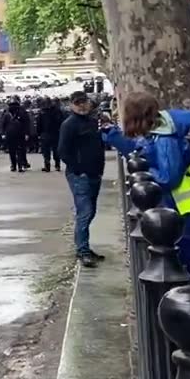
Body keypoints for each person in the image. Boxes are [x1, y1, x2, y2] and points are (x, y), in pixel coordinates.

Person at [103, 92, 190, 281]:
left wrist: (146, 170)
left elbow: (168, 177)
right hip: (179, 205)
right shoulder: (158, 132)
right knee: (189, 259)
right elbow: (141, 151)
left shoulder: (166, 139)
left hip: (184, 206)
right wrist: (116, 139)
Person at [57, 91, 106, 268]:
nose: (82, 106)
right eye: (78, 103)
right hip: (80, 176)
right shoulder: (69, 125)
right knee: (85, 212)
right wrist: (78, 170)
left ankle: (84, 247)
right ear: (72, 105)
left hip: (94, 173)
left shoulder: (93, 122)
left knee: (90, 211)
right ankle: (83, 250)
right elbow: (63, 151)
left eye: (84, 102)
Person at [0, 97, 32, 172]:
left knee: (14, 150)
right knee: (18, 150)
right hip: (17, 134)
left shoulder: (8, 113)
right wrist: (27, 133)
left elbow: (2, 124)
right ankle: (17, 165)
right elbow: (27, 123)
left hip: (14, 134)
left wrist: (3, 133)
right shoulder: (20, 112)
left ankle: (15, 165)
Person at [36, 97, 65, 173]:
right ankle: (57, 165)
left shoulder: (42, 112)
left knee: (46, 151)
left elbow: (39, 124)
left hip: (45, 134)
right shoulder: (57, 111)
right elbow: (62, 122)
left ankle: (47, 166)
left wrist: (38, 133)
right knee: (56, 150)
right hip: (55, 133)